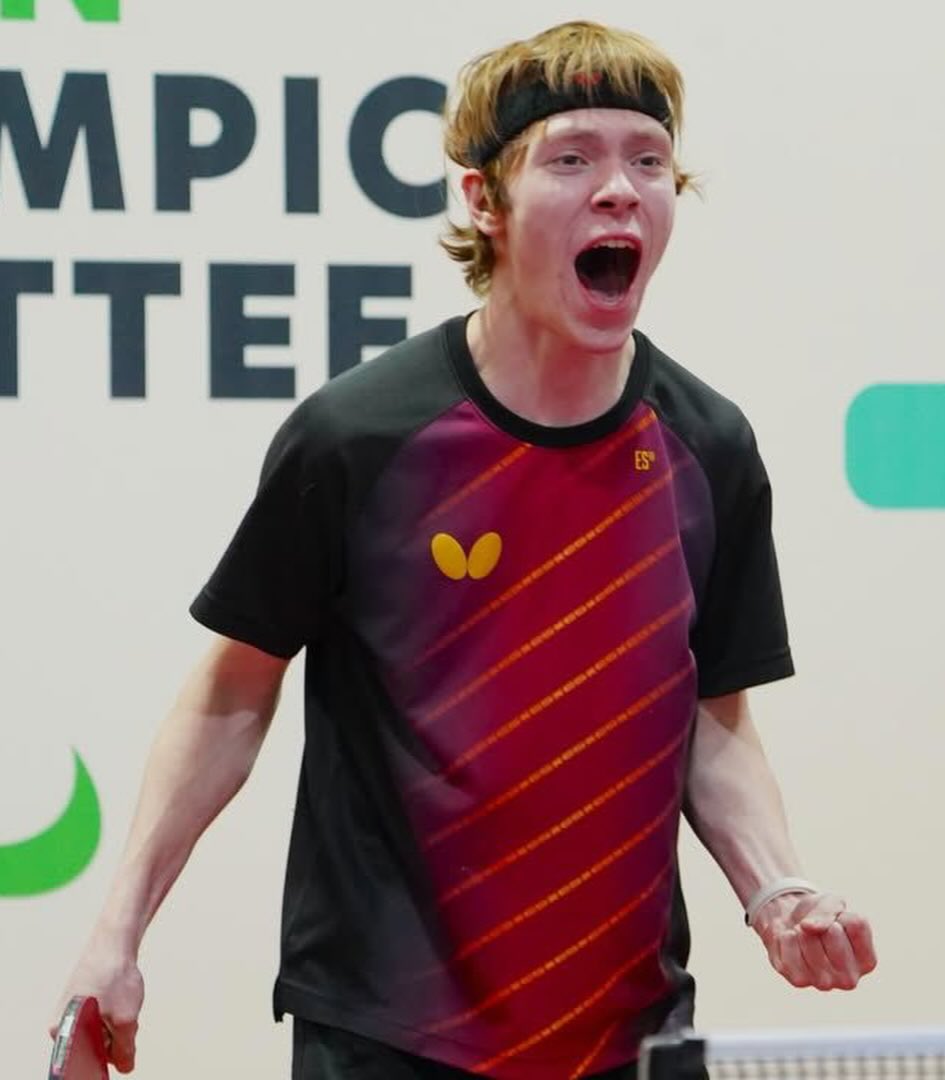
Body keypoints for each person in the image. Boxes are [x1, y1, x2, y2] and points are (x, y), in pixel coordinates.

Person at [52, 20, 877, 1080]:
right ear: (484, 200)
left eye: (649, 161)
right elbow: (231, 690)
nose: (620, 191)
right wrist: (116, 935)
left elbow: (713, 715)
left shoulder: (708, 448)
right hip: (388, 1035)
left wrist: (775, 886)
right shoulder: (359, 438)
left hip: (629, 1037)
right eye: (571, 159)